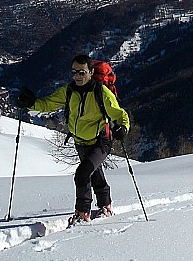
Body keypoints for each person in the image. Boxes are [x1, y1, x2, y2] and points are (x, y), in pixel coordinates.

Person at [16, 54, 130, 227]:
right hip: (80, 141)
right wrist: (31, 103)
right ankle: (105, 206)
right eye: (74, 72)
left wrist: (123, 128)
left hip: (100, 141)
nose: (77, 76)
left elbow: (120, 114)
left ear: (91, 72)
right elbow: (48, 104)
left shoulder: (101, 92)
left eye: (82, 72)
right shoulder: (69, 91)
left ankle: (82, 213)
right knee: (94, 172)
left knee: (82, 174)